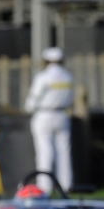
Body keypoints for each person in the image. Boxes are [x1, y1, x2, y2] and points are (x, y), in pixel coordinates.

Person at [23, 46, 74, 193]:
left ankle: (45, 187)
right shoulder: (68, 77)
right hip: (62, 115)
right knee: (64, 152)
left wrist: (29, 108)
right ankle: (66, 185)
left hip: (44, 116)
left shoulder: (43, 77)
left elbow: (32, 100)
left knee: (45, 151)